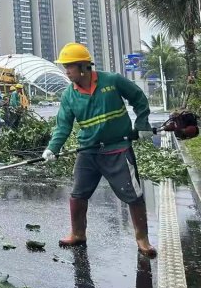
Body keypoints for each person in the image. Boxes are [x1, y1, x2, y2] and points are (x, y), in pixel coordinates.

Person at [41, 42, 156, 257]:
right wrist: (52, 148)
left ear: (84, 66)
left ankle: (143, 239)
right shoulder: (69, 95)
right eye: (64, 67)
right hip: (88, 151)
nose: (66, 71)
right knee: (78, 194)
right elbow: (63, 125)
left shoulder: (111, 81)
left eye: (69, 67)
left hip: (118, 149)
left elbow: (138, 98)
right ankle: (78, 234)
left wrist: (142, 123)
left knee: (133, 195)